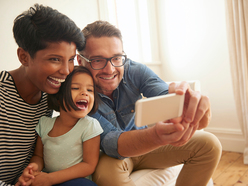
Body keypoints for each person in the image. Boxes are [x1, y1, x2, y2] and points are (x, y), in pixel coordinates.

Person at [77, 20, 222, 186]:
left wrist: (193, 108)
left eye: (117, 58)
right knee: (107, 175)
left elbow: (169, 99)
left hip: (146, 147)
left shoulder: (134, 70)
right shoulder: (76, 91)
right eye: (97, 60)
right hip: (112, 156)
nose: (110, 69)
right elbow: (111, 144)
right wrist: (156, 136)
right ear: (80, 61)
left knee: (210, 145)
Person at [0, 4, 85, 186]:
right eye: (55, 59)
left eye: (70, 60)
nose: (66, 71)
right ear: (24, 57)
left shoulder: (49, 94)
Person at [15, 66, 103, 186]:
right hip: (47, 179)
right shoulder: (44, 124)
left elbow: (88, 166)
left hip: (75, 181)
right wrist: (34, 167)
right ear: (58, 97)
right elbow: (38, 156)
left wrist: (51, 178)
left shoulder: (90, 125)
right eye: (75, 88)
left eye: (90, 90)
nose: (84, 93)